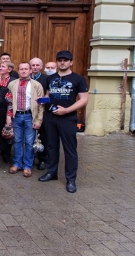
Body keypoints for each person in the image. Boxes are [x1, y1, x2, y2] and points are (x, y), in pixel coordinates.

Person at [38, 51, 88, 194]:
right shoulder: (50, 78)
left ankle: (71, 179)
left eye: (65, 60)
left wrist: (66, 110)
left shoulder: (78, 79)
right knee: (52, 146)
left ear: (71, 62)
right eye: (59, 60)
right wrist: (42, 101)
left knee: (70, 149)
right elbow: (48, 95)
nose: (62, 63)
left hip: (67, 118)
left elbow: (84, 100)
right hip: (51, 117)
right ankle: (51, 172)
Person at [8, 62, 44, 178]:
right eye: (21, 69)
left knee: (29, 142)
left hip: (30, 116)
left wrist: (38, 120)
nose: (24, 71)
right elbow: (9, 102)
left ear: (30, 71)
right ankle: (17, 164)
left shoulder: (36, 85)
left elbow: (41, 105)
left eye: (26, 69)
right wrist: (9, 117)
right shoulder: (12, 84)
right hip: (16, 116)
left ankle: (27, 166)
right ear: (18, 71)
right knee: (17, 141)